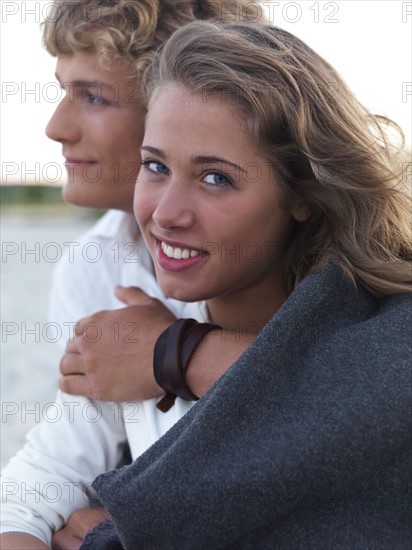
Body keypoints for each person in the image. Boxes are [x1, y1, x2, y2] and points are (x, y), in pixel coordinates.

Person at [73, 20, 410, 548]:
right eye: (155, 165)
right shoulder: (126, 323)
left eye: (215, 178)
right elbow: (32, 485)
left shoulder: (390, 323)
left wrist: (177, 353)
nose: (165, 214)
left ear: (303, 194)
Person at [0, 2, 266, 549]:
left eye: (93, 96)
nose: (55, 128)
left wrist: (173, 352)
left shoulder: (348, 296)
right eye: (61, 89)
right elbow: (57, 468)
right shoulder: (93, 268)